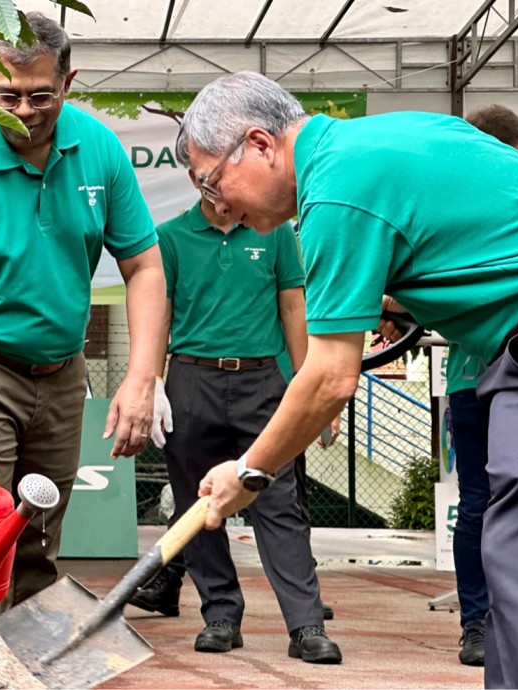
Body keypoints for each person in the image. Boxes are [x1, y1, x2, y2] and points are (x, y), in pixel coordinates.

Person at [179, 71, 518, 689]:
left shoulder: (333, 194)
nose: (217, 202)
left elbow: (330, 378)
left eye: (210, 179)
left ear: (259, 144)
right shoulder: (391, 132)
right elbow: (492, 238)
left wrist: (247, 473)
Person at [0, 12, 166, 644]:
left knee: (39, 541)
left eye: (41, 95)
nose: (24, 110)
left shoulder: (98, 148)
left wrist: (141, 377)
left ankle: (24, 672)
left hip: (62, 373)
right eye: (6, 96)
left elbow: (145, 266)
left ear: (69, 81)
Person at [138, 168, 341, 662]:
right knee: (198, 503)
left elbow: (294, 308)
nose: (226, 200)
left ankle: (306, 625)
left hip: (264, 382)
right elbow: (158, 314)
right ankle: (221, 616)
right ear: (197, 181)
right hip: (191, 379)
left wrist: (307, 386)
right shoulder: (168, 237)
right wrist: (152, 384)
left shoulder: (275, 234)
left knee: (280, 503)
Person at [442, 104, 518, 669]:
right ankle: (480, 621)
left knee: (484, 504)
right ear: (514, 148)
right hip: (494, 382)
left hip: (507, 380)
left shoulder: (452, 205)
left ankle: (487, 622)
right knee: (489, 504)